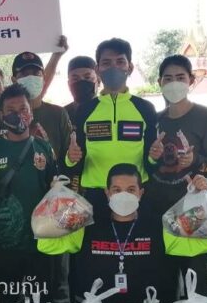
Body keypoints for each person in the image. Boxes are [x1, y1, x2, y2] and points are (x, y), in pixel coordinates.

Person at [0, 83, 59, 303]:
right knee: (6, 302)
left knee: (41, 300)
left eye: (23, 108)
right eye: (11, 110)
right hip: (6, 243)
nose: (18, 114)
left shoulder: (43, 147)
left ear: (31, 111)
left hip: (41, 241)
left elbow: (55, 187)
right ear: (1, 115)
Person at [149, 54, 207, 297]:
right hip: (158, 208)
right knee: (163, 280)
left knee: (195, 281)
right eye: (168, 78)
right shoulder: (154, 120)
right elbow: (146, 166)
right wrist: (152, 156)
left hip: (192, 211)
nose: (174, 83)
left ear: (191, 80)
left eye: (180, 78)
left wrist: (196, 162)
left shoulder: (205, 117)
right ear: (160, 82)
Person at [65, 164, 179, 303]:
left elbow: (193, 245)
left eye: (131, 190)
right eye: (117, 190)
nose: (123, 195)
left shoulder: (160, 226)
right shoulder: (87, 225)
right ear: (107, 193)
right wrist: (56, 205)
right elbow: (49, 244)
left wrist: (197, 198)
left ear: (140, 193)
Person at [65, 38, 160, 212]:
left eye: (120, 62)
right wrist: (70, 159)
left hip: (134, 192)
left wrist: (154, 157)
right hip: (96, 193)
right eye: (106, 63)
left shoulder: (145, 108)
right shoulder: (85, 110)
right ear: (97, 69)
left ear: (130, 67)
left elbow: (152, 163)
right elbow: (75, 159)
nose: (113, 67)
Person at [0, 51, 73, 164]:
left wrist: (71, 159)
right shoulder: (2, 115)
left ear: (43, 77)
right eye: (24, 74)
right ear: (14, 80)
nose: (31, 78)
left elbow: (69, 154)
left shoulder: (58, 113)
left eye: (36, 73)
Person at [65, 55, 98, 122]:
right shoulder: (62, 115)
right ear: (68, 84)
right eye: (75, 79)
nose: (81, 82)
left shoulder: (110, 110)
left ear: (98, 81)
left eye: (87, 77)